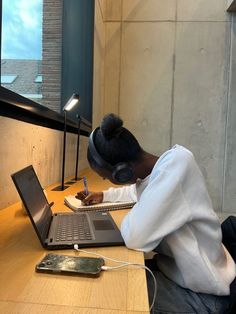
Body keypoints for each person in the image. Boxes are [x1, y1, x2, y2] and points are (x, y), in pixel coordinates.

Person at [76, 113, 235, 313]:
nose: (107, 181)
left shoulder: (177, 167)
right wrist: (104, 195)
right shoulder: (163, 170)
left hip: (203, 295)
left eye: (106, 178)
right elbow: (138, 190)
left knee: (110, 295)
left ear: (122, 172)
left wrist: (135, 213)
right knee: (108, 278)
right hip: (179, 274)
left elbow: (135, 236)